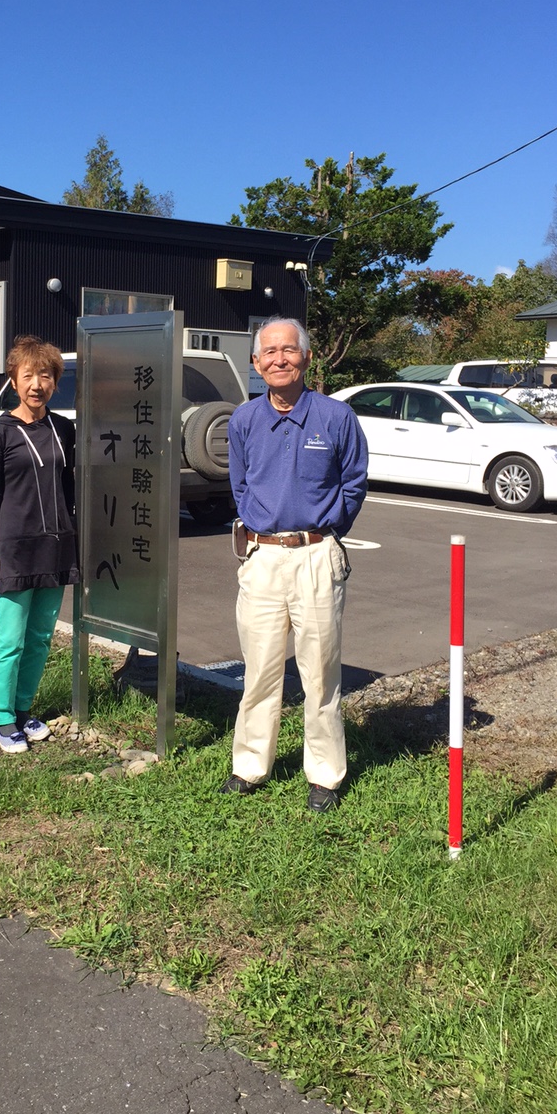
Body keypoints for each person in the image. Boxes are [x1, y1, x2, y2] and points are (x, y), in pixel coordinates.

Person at [222, 317, 367, 810]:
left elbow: (354, 483)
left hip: (316, 557)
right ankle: (250, 766)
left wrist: (325, 532)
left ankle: (324, 776)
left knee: (320, 674)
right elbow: (240, 487)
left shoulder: (335, 417)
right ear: (256, 362)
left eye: (289, 350)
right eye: (270, 352)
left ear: (306, 358)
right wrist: (261, 531)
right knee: (259, 669)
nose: (279, 359)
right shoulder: (243, 420)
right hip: (261, 557)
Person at [0, 335, 79, 753]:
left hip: (56, 544)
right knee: (10, 638)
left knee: (40, 636)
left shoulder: (63, 428)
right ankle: (1, 719)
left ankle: (22, 710)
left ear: (55, 381)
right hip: (15, 548)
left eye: (46, 375)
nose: (37, 383)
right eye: (28, 376)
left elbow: (69, 485)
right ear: (14, 381)